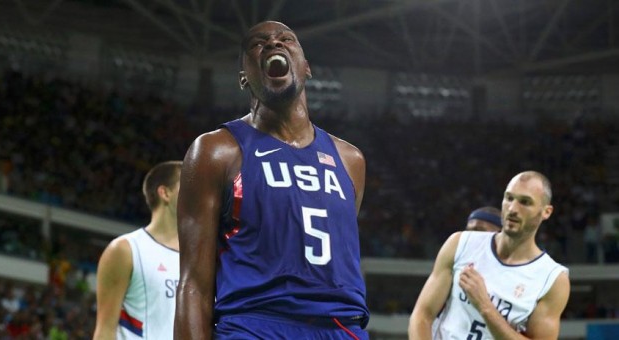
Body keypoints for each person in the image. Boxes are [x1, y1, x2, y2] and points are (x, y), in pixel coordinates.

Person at [174, 21, 369, 339]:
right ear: (243, 77)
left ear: (305, 68)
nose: (273, 44)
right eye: (258, 43)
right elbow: (193, 284)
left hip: (340, 326)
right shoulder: (215, 151)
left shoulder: (351, 160)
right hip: (254, 324)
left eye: (286, 39)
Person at [409, 171, 570, 339]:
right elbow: (422, 315)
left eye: (525, 202)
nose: (513, 208)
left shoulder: (552, 279)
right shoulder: (460, 243)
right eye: (509, 198)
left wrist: (485, 306)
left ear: (546, 212)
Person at [93, 161, 182, 339]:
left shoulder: (204, 257)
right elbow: (105, 330)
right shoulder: (126, 250)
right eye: (190, 185)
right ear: (165, 193)